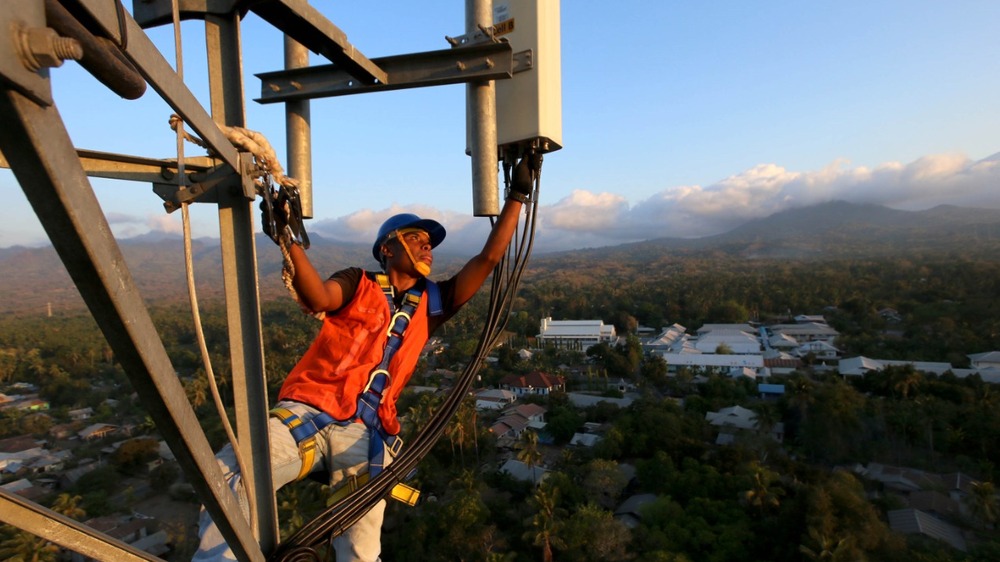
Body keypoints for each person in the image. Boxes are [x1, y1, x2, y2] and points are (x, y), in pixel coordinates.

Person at [194, 154, 539, 562]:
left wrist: (516, 195)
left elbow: (488, 260)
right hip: (305, 412)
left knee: (361, 546)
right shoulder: (358, 283)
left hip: (363, 432)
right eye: (416, 239)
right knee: (229, 477)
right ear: (387, 248)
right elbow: (318, 297)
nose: (426, 247)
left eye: (429, 244)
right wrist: (289, 240)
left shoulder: (433, 302)